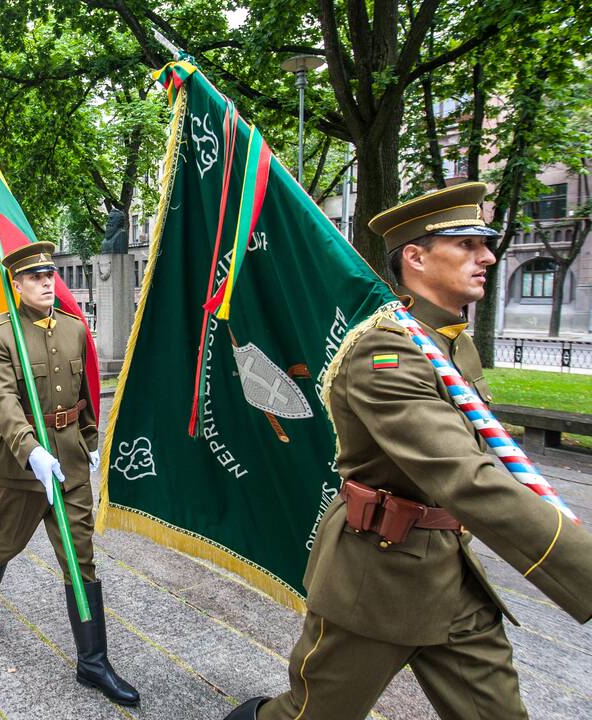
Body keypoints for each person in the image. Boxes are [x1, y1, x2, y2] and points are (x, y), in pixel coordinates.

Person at [226, 182, 592, 720]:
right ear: (416, 257)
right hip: (378, 579)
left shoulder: (450, 340)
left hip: (454, 580)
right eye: (465, 245)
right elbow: (465, 474)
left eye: (484, 244)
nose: (488, 256)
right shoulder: (386, 352)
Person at [0, 241, 139, 707]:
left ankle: (93, 662)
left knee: (80, 557)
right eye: (36, 278)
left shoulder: (73, 329)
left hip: (69, 464)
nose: (47, 283)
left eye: (50, 276)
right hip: (25, 469)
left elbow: (83, 392)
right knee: (4, 541)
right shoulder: (0, 336)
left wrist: (89, 439)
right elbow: (1, 403)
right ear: (17, 285)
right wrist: (31, 451)